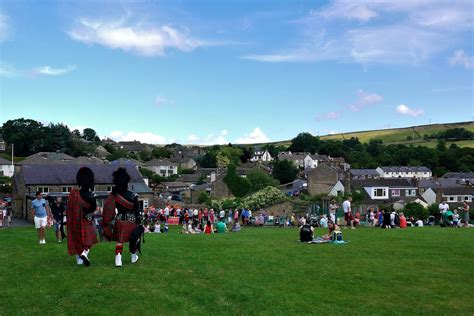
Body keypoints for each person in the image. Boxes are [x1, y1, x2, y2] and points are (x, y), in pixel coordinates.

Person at [102, 168, 142, 267]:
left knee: (120, 241)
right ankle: (133, 258)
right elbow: (137, 212)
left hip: (119, 221)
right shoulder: (133, 195)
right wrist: (139, 222)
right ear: (127, 182)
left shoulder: (114, 195)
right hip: (131, 221)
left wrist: (107, 222)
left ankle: (118, 260)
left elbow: (108, 210)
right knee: (134, 240)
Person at [66, 167, 98, 266]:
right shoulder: (91, 196)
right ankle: (84, 253)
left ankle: (79, 260)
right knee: (90, 239)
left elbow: (69, 207)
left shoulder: (73, 193)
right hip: (86, 220)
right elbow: (93, 209)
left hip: (75, 220)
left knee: (77, 239)